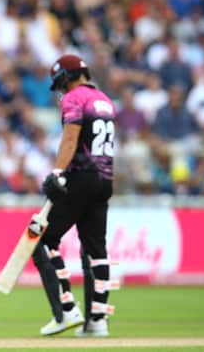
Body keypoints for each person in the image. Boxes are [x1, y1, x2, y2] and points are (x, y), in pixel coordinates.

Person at [31, 54, 119, 337]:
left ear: (67, 77)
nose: (60, 90)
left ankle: (67, 310)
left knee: (42, 240)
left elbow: (70, 138)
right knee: (96, 250)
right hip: (105, 180)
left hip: (81, 177)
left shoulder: (74, 98)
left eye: (60, 83)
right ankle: (98, 320)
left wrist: (57, 172)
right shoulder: (105, 99)